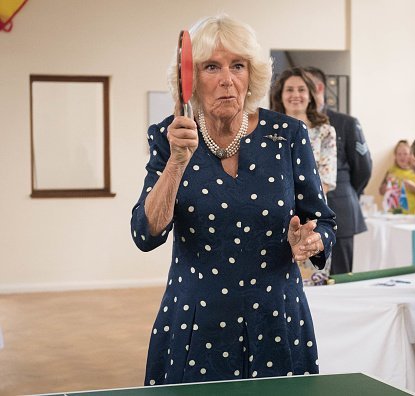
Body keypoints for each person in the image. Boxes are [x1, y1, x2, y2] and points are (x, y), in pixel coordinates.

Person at [130, 15, 336, 385]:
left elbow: (323, 221)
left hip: (277, 317)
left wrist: (311, 239)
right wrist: (177, 162)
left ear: (251, 74)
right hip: (196, 321)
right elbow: (146, 234)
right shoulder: (169, 136)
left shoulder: (288, 134)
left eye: (237, 65)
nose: (227, 79)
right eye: (212, 66)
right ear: (189, 80)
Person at [303, 66, 372, 275]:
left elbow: (363, 168)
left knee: (339, 278)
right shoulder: (288, 122)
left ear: (319, 87)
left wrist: (349, 194)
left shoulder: (345, 123)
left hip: (338, 209)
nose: (301, 93)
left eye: (306, 87)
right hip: (302, 217)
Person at [270, 67, 337, 194]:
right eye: (289, 90)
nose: (295, 95)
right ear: (281, 96)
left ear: (310, 96)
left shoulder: (325, 132)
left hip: (312, 207)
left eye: (301, 90)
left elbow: (326, 180)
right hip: (275, 205)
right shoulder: (268, 131)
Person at [379, 140, 415, 214]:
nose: (402, 157)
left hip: (412, 214)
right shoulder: (391, 171)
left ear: (410, 155)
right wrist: (386, 186)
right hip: (393, 213)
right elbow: (381, 192)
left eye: (405, 154)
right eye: (399, 154)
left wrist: (413, 187)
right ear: (395, 156)